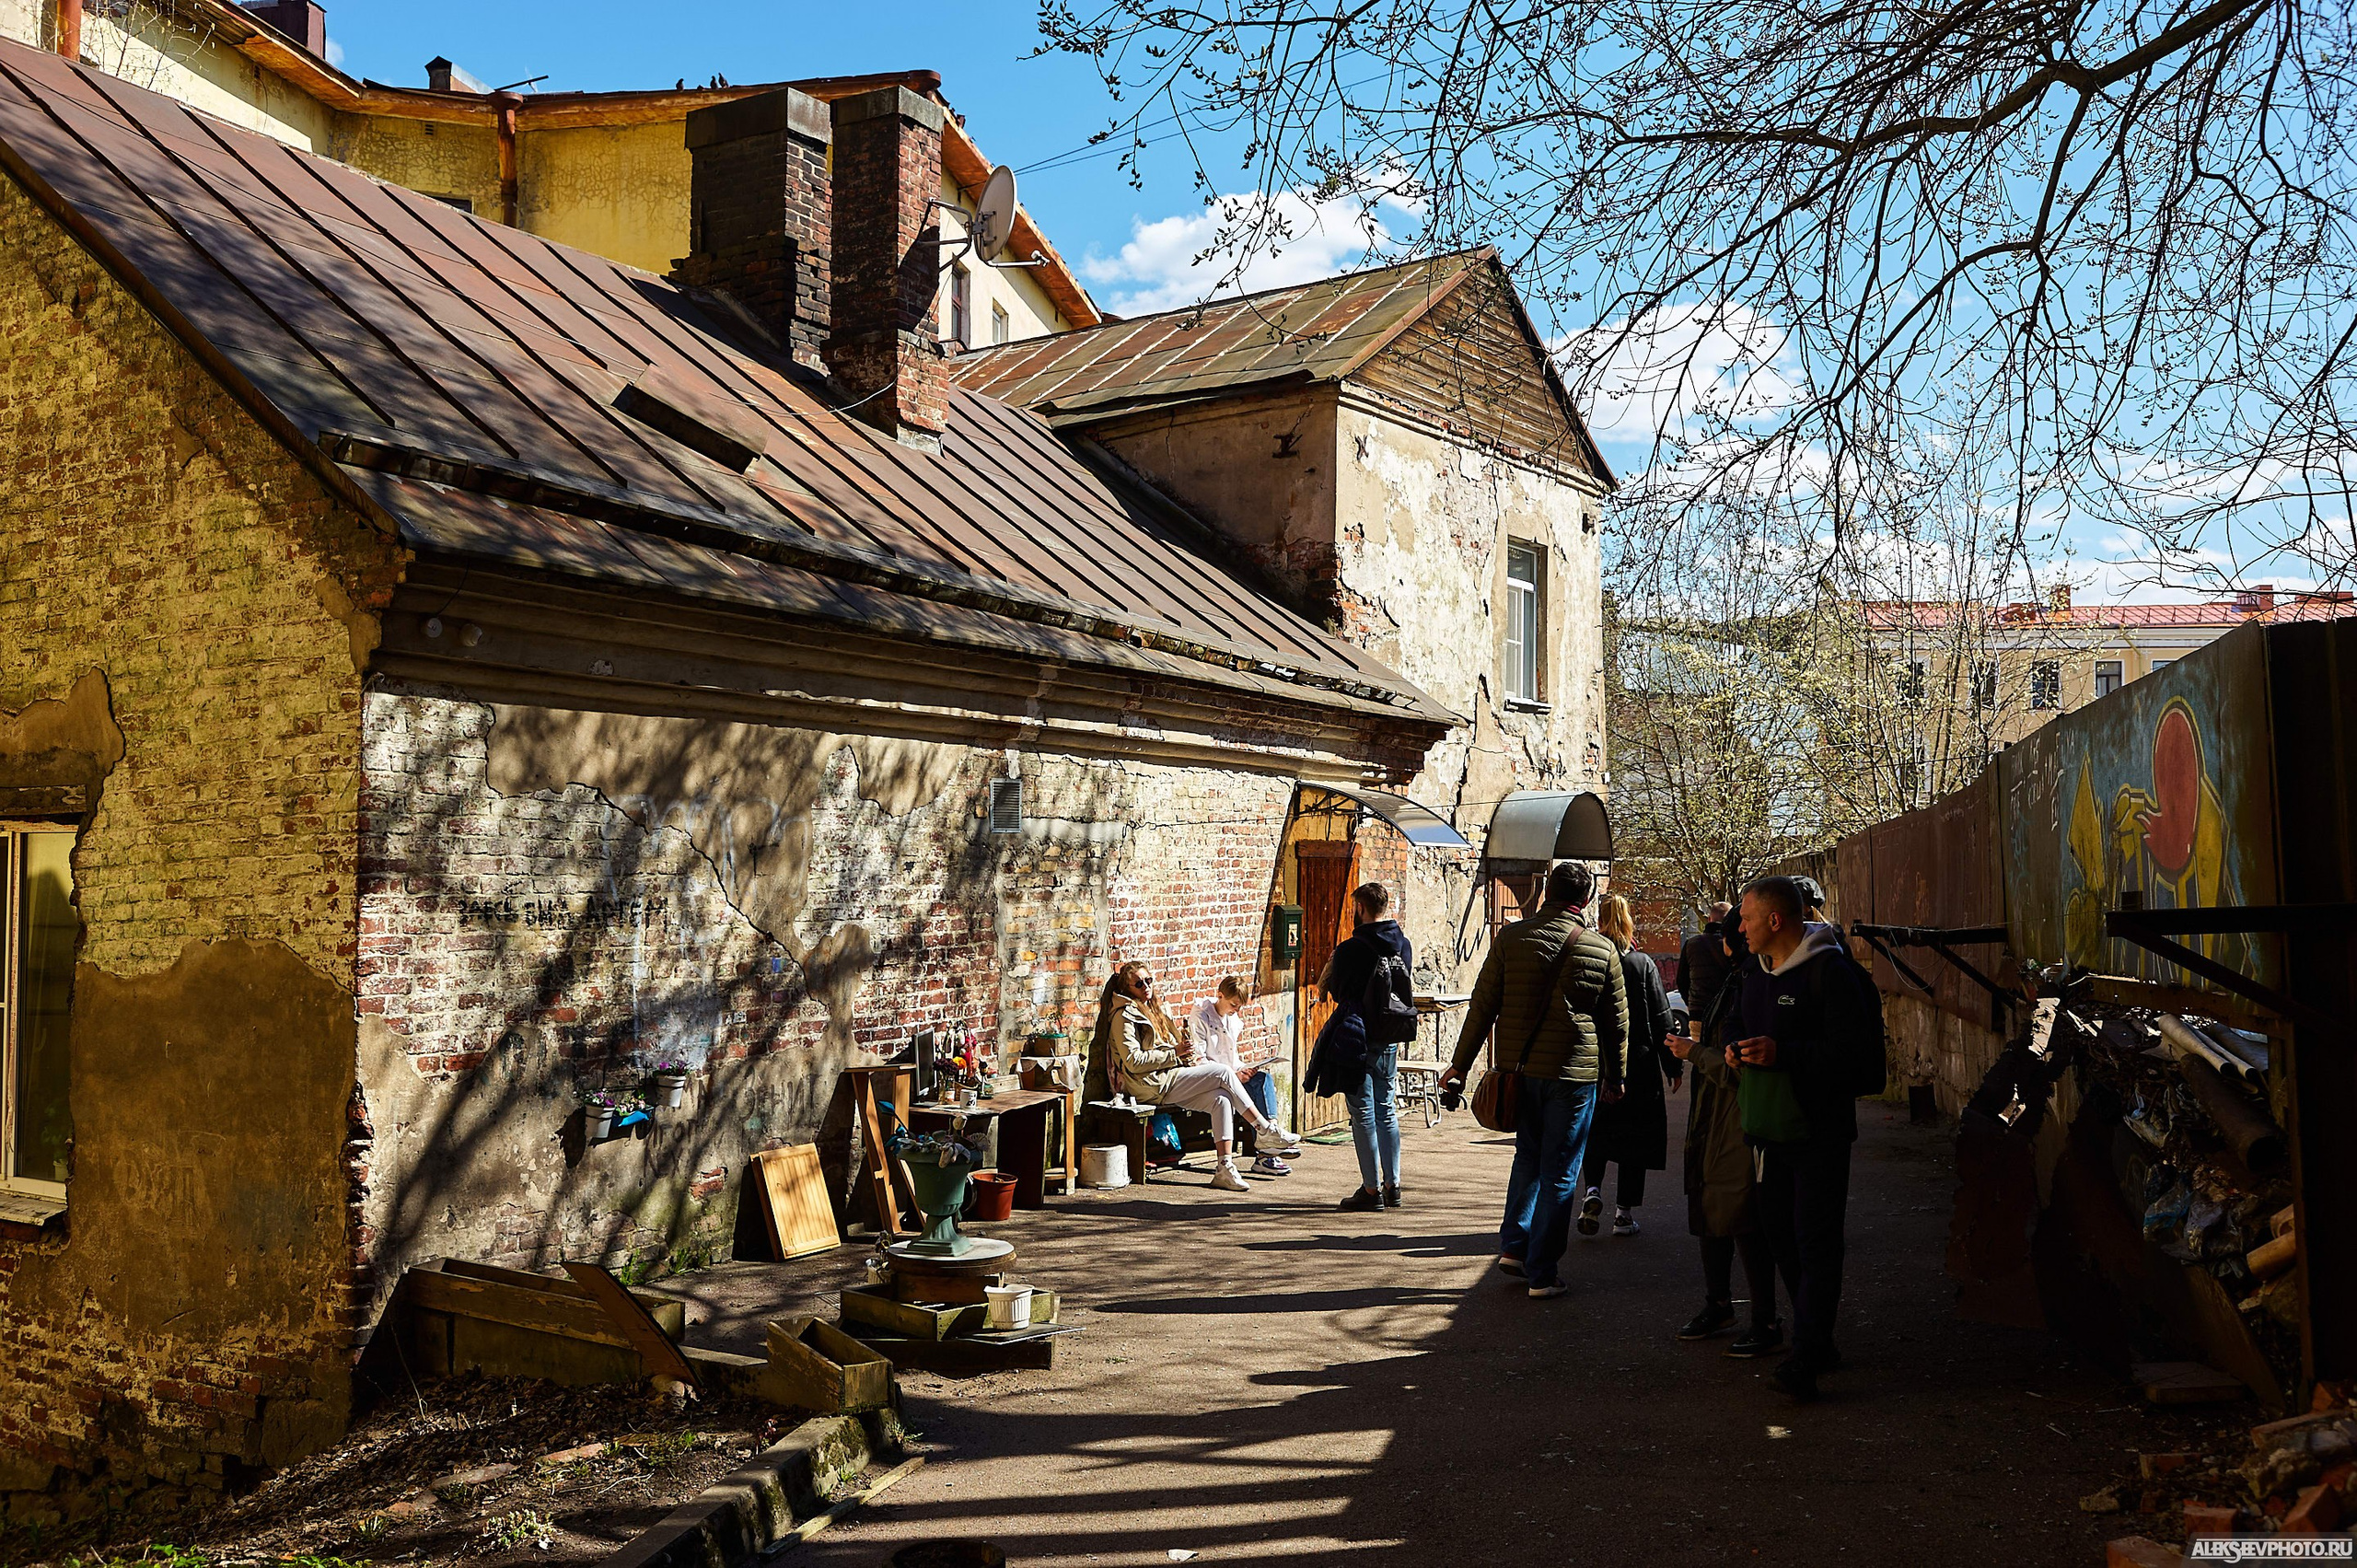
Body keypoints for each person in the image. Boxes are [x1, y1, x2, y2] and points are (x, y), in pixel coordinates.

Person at [1440, 862, 1629, 1299]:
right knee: (1561, 1172)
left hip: (1519, 1071)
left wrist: (1460, 1065)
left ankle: (1514, 1248)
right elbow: (1617, 1024)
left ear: (1546, 892)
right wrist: (1617, 1077)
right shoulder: (1601, 949)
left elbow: (1482, 1006)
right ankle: (1543, 1272)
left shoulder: (1511, 938)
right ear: (1585, 900)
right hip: (1574, 1074)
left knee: (1527, 1158)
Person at [1728, 875, 1880, 1400]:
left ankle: (1806, 1355)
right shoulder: (1754, 971)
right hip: (1768, 1131)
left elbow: (1857, 1061)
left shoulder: (1832, 974)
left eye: (1747, 918)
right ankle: (1818, 1340)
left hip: (1820, 1131)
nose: (1739, 926)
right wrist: (1734, 1049)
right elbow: (1734, 1024)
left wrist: (1784, 1054)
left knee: (1816, 1240)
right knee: (1780, 1236)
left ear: (1775, 920)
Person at [1672, 909, 1782, 1357]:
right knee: (1710, 1207)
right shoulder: (1739, 981)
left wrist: (1694, 1053)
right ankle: (1720, 1304)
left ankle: (1765, 1319)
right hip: (1712, 1114)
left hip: (1737, 1116)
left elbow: (1744, 1070)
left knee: (1743, 1217)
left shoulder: (1757, 984)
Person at [1095, 961, 1300, 1191]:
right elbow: (1133, 1061)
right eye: (1139, 984)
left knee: (1221, 1099)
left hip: (1169, 1077)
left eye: (1148, 980)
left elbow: (1172, 1050)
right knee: (1223, 1073)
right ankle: (1264, 1130)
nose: (1146, 987)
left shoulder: (1155, 1009)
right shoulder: (1124, 1016)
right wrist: (1174, 1054)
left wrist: (1183, 1053)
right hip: (1149, 1084)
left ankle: (1225, 1168)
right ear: (1127, 989)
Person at [1306, 882, 1412, 1212]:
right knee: (1387, 1109)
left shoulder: (1353, 948)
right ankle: (1393, 1185)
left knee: (1363, 1112)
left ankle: (1370, 1189)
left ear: (1362, 908)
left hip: (1358, 1036)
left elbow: (1339, 992)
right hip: (1390, 1036)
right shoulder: (1403, 944)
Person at [1578, 894, 1677, 1237]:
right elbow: (1661, 1016)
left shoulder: (1589, 958)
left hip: (1595, 1060)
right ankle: (1623, 1213)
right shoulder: (1642, 963)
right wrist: (1673, 1065)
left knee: (1596, 1132)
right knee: (1635, 1139)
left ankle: (1591, 1191)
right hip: (1639, 1062)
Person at [1190, 976, 1291, 1176]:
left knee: (1263, 1080)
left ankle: (1270, 1141)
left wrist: (1245, 1069)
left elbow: (1232, 1057)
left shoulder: (1232, 1019)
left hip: (1231, 1075)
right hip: (1210, 1078)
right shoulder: (1200, 1016)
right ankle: (1269, 1150)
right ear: (1220, 995)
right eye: (1233, 1004)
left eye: (1240, 1006)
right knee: (1249, 1087)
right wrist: (1234, 1074)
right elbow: (1198, 1059)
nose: (1236, 1010)